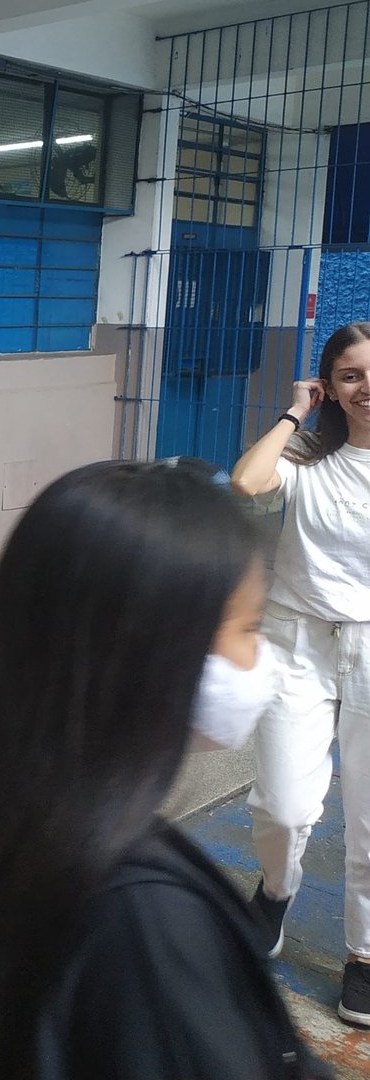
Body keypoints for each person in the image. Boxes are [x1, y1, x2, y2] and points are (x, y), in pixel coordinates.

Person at [0, 461, 330, 1080]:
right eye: (248, 627)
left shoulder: (15, 822)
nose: (261, 656)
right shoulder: (143, 916)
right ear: (153, 650)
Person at [230, 320, 370, 1025]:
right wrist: (294, 411)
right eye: (351, 375)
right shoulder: (308, 455)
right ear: (330, 386)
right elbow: (246, 481)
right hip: (297, 642)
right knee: (282, 808)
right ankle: (276, 891)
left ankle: (364, 954)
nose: (367, 387)